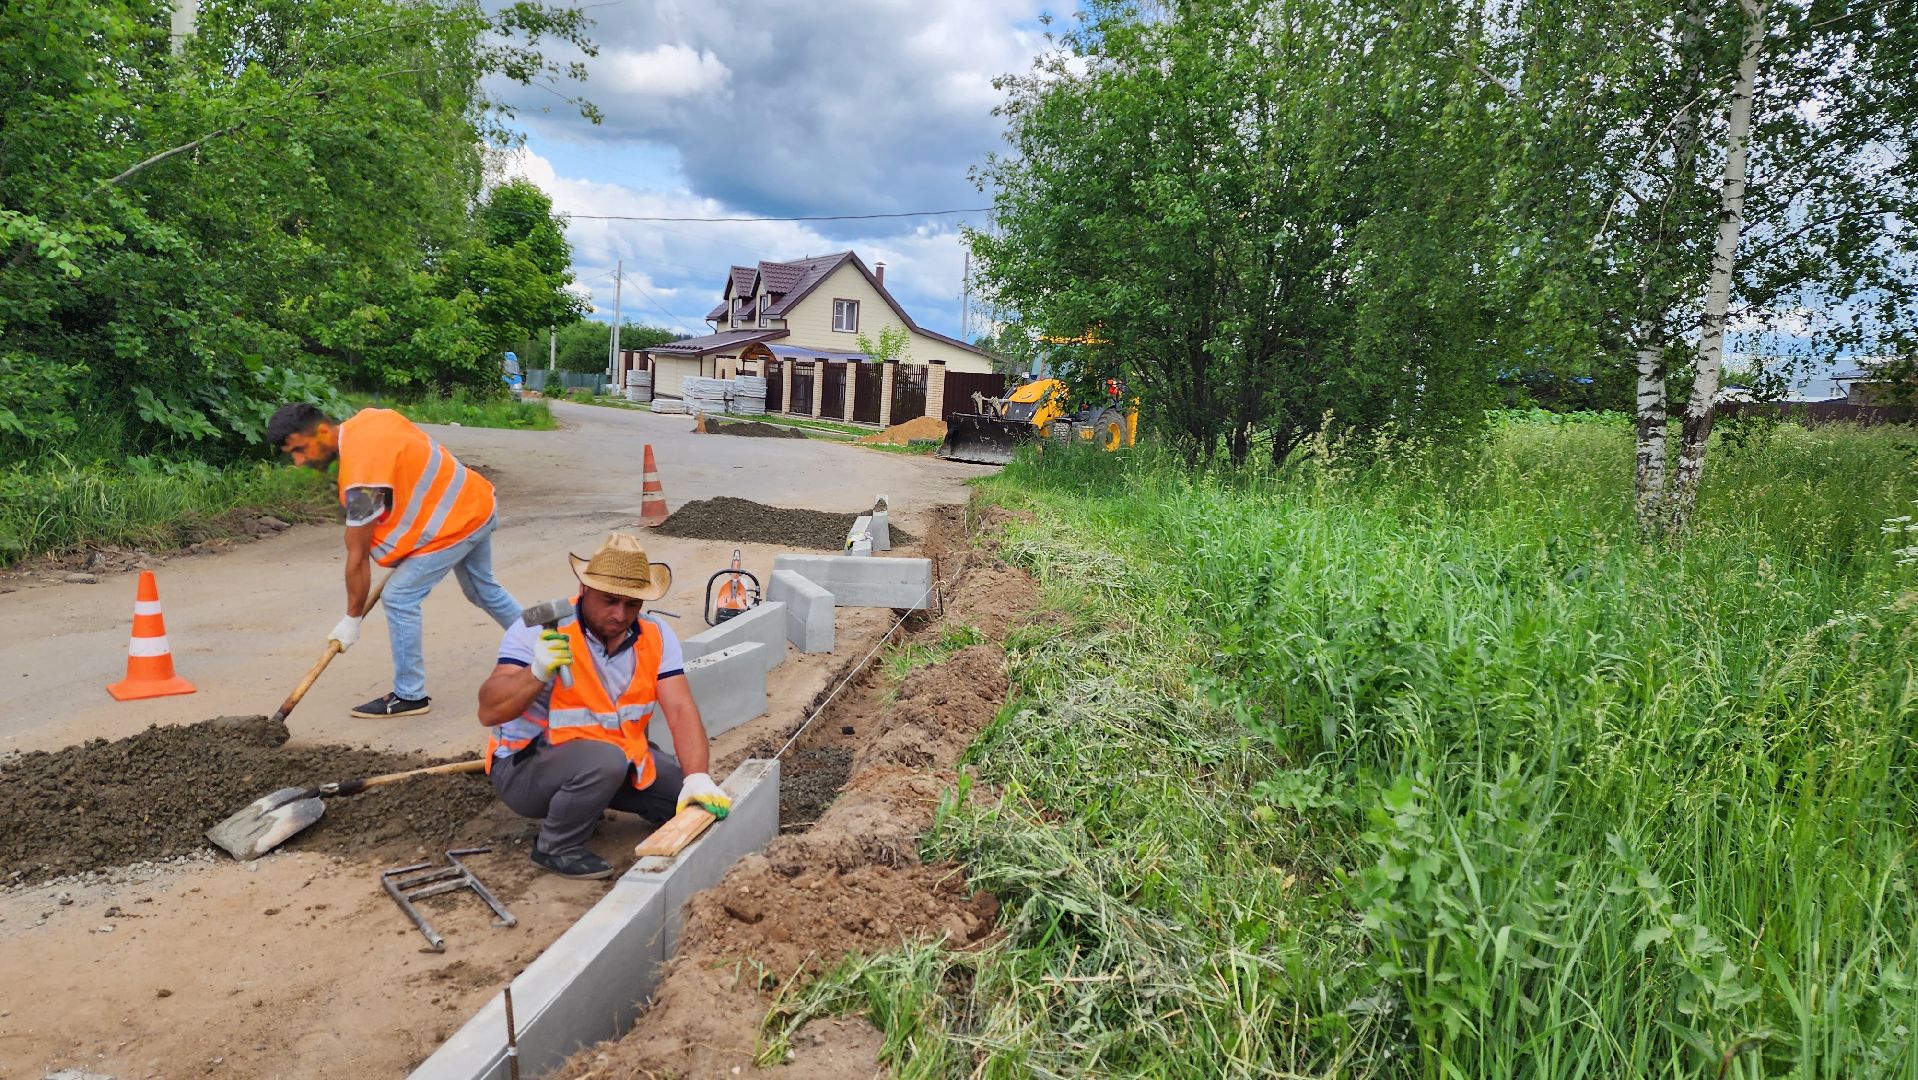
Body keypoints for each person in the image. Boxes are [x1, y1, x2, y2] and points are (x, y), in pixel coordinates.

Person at [475, 533, 731, 879]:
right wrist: (535, 673)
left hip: (616, 759)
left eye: (632, 604)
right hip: (526, 771)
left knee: (679, 793)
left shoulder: (655, 636)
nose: (620, 614)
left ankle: (589, 801)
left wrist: (697, 776)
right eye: (610, 601)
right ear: (584, 590)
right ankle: (556, 846)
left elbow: (681, 709)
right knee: (603, 761)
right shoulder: (538, 631)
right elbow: (489, 710)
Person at [266, 402, 522, 718]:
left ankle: (410, 695)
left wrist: (351, 619)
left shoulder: (362, 481)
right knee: (482, 589)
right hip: (474, 502)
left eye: (301, 450)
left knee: (400, 596)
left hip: (455, 523)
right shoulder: (370, 419)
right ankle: (547, 643)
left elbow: (358, 555)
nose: (300, 461)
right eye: (292, 454)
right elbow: (408, 474)